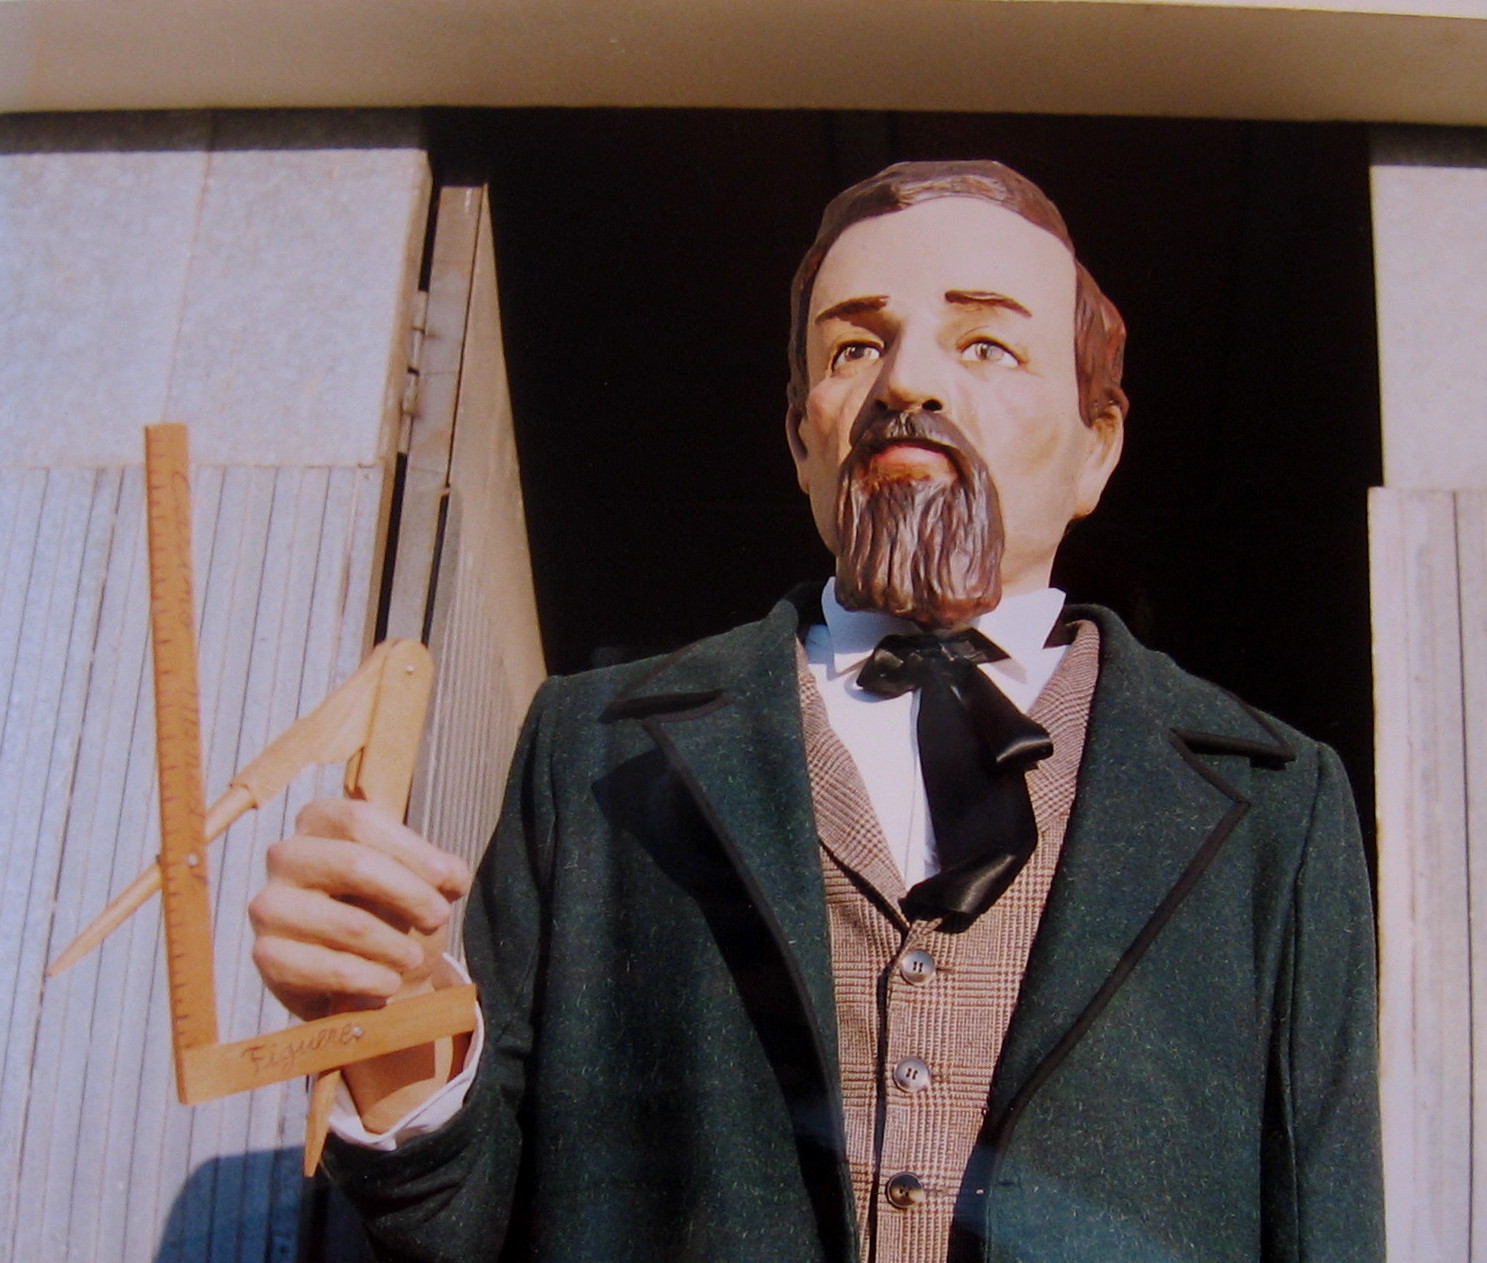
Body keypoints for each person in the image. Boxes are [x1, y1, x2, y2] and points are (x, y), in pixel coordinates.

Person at [250, 161, 1384, 1262]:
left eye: (984, 343)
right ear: (802, 440)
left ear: (1096, 446)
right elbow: (457, 1224)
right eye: (854, 347)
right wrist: (396, 1013)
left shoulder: (1277, 804)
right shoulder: (590, 748)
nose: (907, 384)